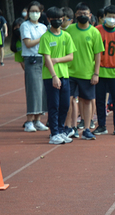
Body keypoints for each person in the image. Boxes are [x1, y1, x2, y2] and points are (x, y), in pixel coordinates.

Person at [66, 3, 103, 140]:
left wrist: (96, 73)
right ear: (75, 15)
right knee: (68, 100)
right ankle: (70, 127)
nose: (83, 16)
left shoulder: (94, 32)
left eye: (85, 14)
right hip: (69, 72)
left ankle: (87, 129)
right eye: (80, 14)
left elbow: (98, 54)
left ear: (90, 15)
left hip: (87, 73)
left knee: (86, 101)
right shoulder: (69, 30)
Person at [39, 7, 75, 145]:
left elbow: (70, 56)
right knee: (54, 105)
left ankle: (61, 130)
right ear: (49, 20)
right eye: (55, 19)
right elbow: (47, 59)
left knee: (65, 105)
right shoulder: (46, 37)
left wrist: (57, 60)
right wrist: (54, 76)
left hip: (65, 75)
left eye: (61, 19)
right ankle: (54, 133)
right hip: (50, 76)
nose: (58, 21)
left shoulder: (66, 36)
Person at [94, 5, 115, 136]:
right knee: (100, 99)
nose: (111, 19)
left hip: (114, 71)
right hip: (100, 71)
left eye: (113, 17)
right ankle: (101, 125)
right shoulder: (96, 30)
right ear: (104, 17)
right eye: (108, 16)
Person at [20, 1, 49, 133]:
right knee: (33, 90)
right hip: (31, 59)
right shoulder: (25, 26)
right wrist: (43, 38)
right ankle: (29, 121)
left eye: (37, 11)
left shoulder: (43, 27)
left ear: (41, 12)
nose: (34, 13)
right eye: (32, 11)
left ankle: (38, 120)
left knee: (42, 90)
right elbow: (28, 43)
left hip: (42, 59)